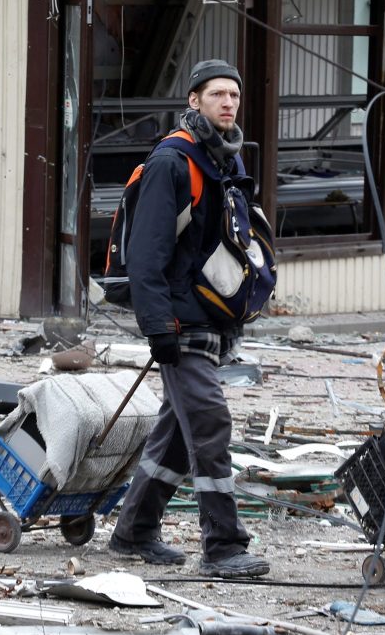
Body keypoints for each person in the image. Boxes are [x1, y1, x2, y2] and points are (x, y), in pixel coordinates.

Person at [107, 59, 270, 579]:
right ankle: (223, 546)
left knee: (179, 432)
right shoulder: (172, 163)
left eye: (234, 95)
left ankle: (133, 531)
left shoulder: (222, 161)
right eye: (217, 94)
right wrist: (158, 329)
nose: (228, 103)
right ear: (194, 100)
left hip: (209, 321)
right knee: (209, 422)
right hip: (178, 323)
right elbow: (147, 256)